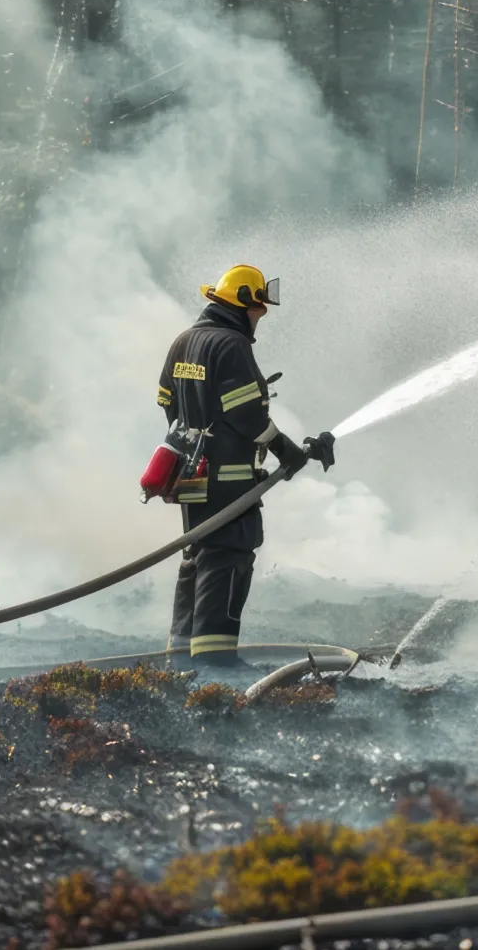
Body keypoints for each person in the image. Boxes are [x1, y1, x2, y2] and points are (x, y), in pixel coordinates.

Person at [156, 265, 335, 675]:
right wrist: (283, 448)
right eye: (258, 308)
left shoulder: (184, 341)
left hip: (191, 474)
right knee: (228, 555)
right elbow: (244, 412)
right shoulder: (230, 345)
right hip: (230, 477)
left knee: (197, 554)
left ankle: (181, 657)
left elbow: (166, 399)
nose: (261, 317)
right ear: (240, 304)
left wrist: (194, 432)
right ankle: (217, 663)